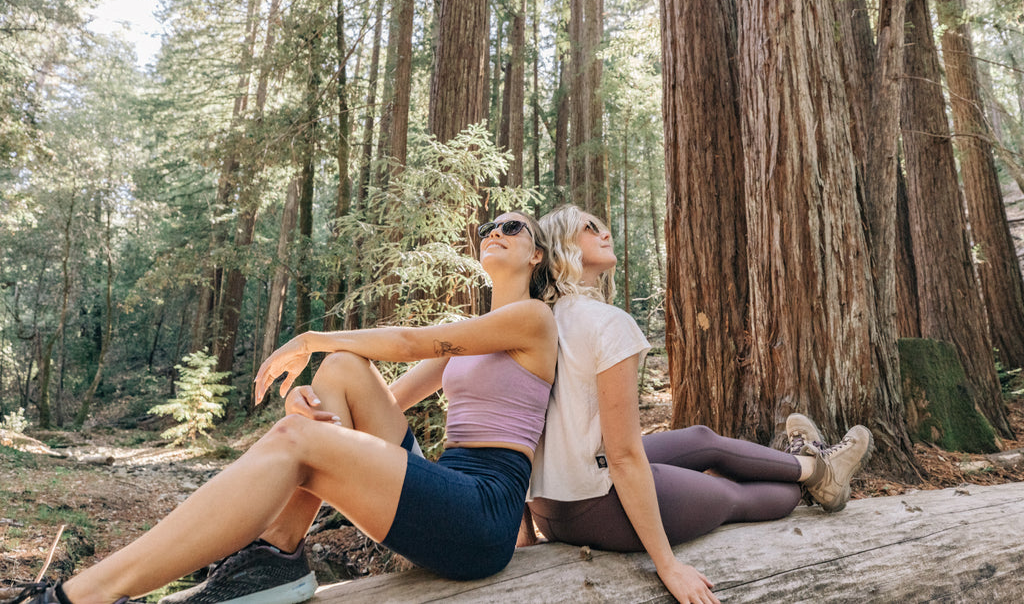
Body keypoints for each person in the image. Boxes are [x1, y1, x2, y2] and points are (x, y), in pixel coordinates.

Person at [7, 211, 558, 604]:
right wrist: (314, 405)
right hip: (446, 489)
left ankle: (84, 595)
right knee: (341, 370)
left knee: (309, 415)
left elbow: (412, 341)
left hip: (481, 516)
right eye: (489, 228)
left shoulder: (533, 319)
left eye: (513, 228)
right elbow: (381, 406)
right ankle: (276, 552)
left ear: (535, 254)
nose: (495, 233)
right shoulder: (472, 340)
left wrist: (311, 338)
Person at [524, 204, 872, 604]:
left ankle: (812, 464)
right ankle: (817, 480)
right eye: (589, 228)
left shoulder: (535, 321)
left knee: (703, 440)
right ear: (563, 248)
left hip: (551, 509)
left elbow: (515, 440)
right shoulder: (605, 322)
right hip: (597, 506)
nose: (604, 233)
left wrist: (528, 535)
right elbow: (622, 457)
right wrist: (667, 566)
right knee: (731, 495)